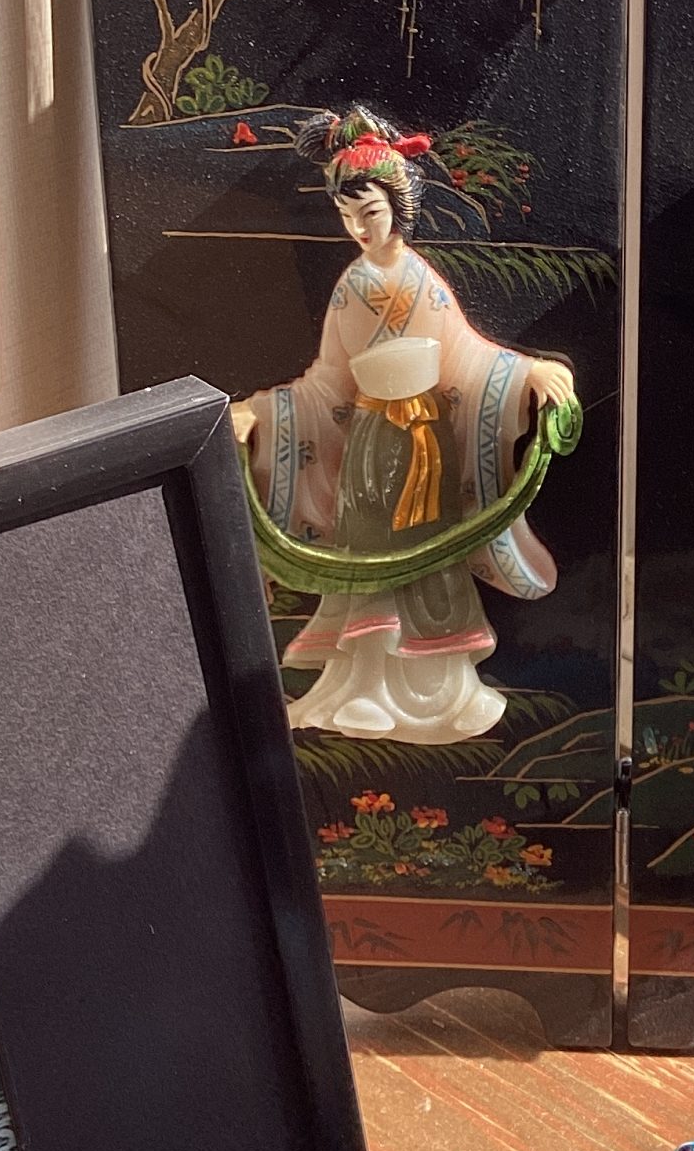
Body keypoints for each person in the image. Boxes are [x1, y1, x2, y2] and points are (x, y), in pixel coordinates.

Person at [231, 108, 574, 741]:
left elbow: (466, 354)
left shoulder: (420, 278)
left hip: (428, 442)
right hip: (371, 441)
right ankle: (363, 687)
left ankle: (452, 691)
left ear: (398, 207)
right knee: (370, 555)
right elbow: (329, 379)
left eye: (371, 213)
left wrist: (530, 373)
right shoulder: (352, 286)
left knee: (432, 557)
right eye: (347, 216)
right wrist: (263, 410)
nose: (360, 228)